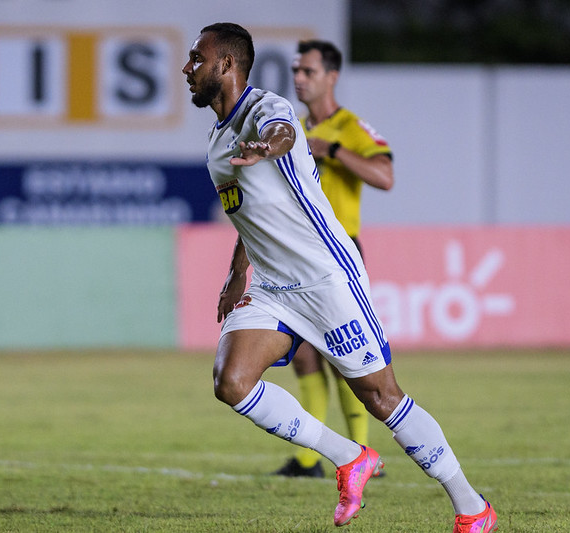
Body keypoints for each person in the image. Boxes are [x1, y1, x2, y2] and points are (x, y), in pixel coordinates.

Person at [182, 22, 497, 532]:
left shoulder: (269, 110)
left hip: (326, 275)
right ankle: (350, 457)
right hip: (273, 287)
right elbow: (250, 215)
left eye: (197, 58)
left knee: (380, 397)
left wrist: (270, 146)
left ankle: (471, 508)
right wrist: (236, 272)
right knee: (231, 381)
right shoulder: (216, 142)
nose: (186, 68)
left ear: (226, 65)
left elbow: (282, 133)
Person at [273, 40, 395, 479]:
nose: (298, 78)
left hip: (341, 252)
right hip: (299, 252)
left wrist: (336, 152)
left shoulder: (350, 128)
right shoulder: (293, 130)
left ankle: (364, 454)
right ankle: (308, 462)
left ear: (331, 76)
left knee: (344, 353)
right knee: (303, 355)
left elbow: (385, 176)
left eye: (307, 71)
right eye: (296, 70)